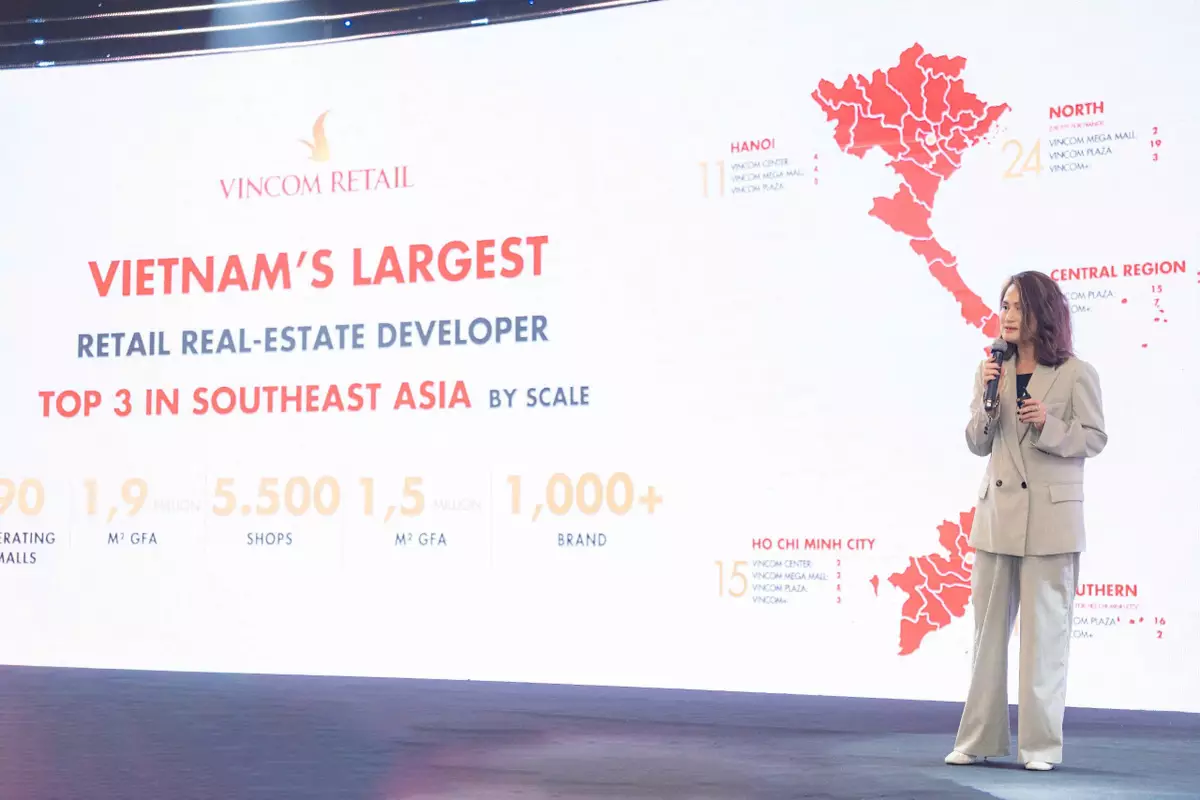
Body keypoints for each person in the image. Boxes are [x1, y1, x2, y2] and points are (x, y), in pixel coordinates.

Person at [944, 270, 1107, 771]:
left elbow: (1094, 438)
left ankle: (1039, 747)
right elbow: (977, 442)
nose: (1008, 316)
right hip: (998, 518)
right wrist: (989, 402)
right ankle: (977, 739)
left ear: (1042, 312)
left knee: (1045, 640)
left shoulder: (1076, 373)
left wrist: (1048, 425)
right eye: (1005, 306)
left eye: (1018, 306)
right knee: (986, 640)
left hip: (1050, 522)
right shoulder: (989, 370)